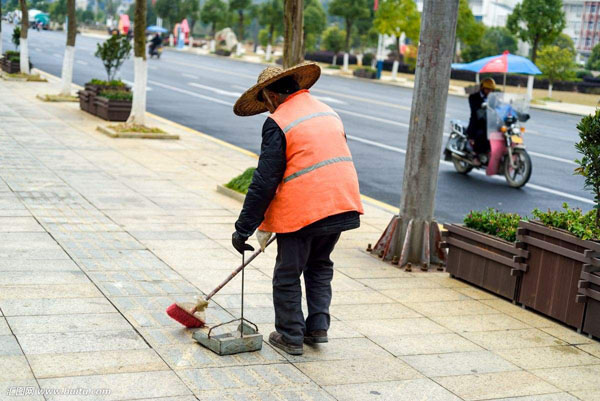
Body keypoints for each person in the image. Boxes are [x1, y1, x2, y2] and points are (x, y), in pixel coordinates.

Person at [231, 63, 364, 356]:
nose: (267, 109)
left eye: (266, 103)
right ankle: (317, 328)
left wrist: (243, 228)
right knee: (319, 265)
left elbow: (265, 180)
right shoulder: (327, 111)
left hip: (305, 210)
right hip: (342, 202)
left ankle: (291, 335)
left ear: (271, 95)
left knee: (288, 273)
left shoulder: (279, 121)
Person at [466, 78, 496, 164]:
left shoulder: (493, 98)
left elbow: (498, 106)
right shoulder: (473, 97)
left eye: (491, 90)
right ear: (482, 88)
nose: (489, 91)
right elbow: (475, 110)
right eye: (487, 89)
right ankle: (475, 155)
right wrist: (482, 109)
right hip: (477, 122)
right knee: (481, 134)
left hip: (489, 121)